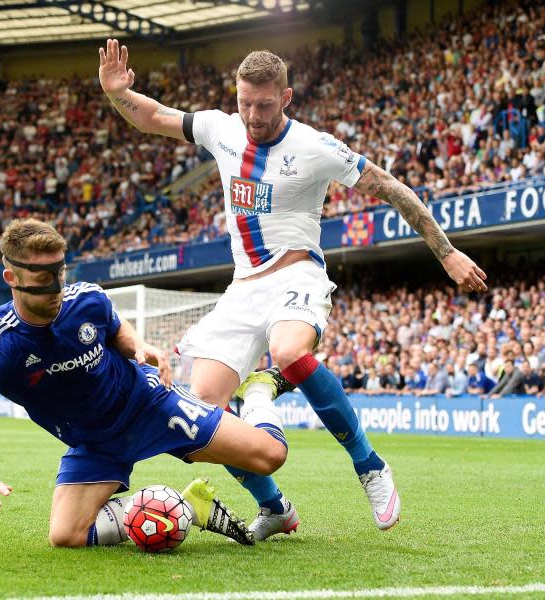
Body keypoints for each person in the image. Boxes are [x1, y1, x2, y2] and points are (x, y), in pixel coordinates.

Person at [99, 40, 488, 536]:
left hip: (296, 273)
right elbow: (152, 116)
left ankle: (368, 463)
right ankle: (276, 507)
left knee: (287, 352)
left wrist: (447, 252)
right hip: (242, 289)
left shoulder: (314, 148)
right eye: (244, 102)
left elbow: (393, 189)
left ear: (286, 97)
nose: (252, 115)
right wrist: (117, 94)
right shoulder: (222, 128)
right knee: (203, 417)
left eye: (263, 104)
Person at [0, 219, 291, 548]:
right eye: (43, 279)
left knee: (271, 455)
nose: (56, 290)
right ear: (12, 277)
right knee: (65, 535)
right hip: (95, 443)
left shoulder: (86, 299)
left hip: (150, 404)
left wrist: (138, 345)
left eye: (60, 274)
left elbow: (116, 328)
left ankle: (260, 390)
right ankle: (183, 508)